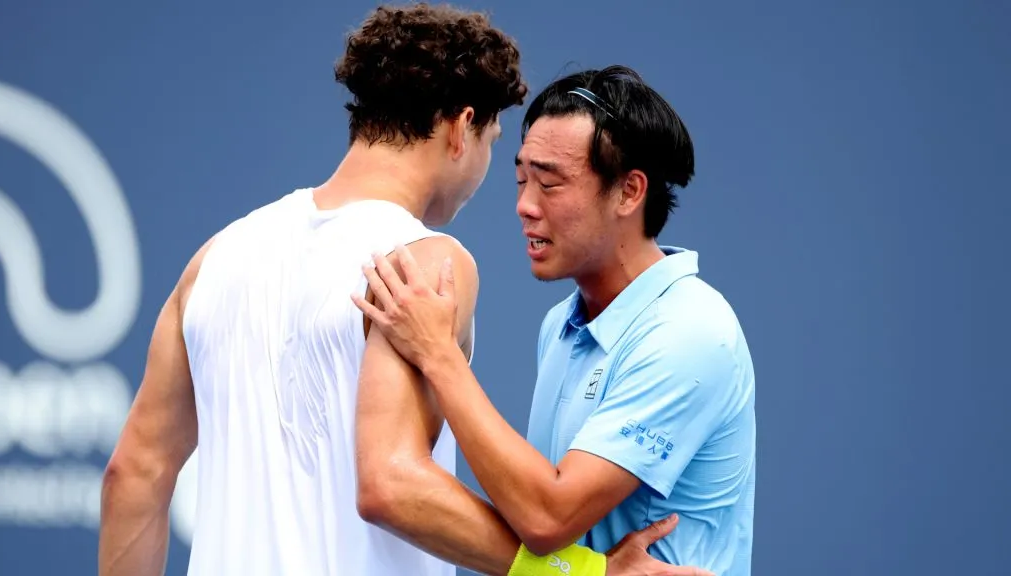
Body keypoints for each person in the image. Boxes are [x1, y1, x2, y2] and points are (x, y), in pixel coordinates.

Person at [97, 5, 712, 576]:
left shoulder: (215, 258)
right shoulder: (426, 263)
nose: (508, 193)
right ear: (462, 128)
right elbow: (392, 486)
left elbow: (134, 473)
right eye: (496, 151)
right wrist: (577, 571)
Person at [353, 64, 757, 576]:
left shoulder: (691, 333)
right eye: (522, 179)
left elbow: (547, 517)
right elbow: (540, 528)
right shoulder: (560, 326)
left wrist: (437, 353)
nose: (524, 206)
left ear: (630, 193)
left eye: (550, 184)